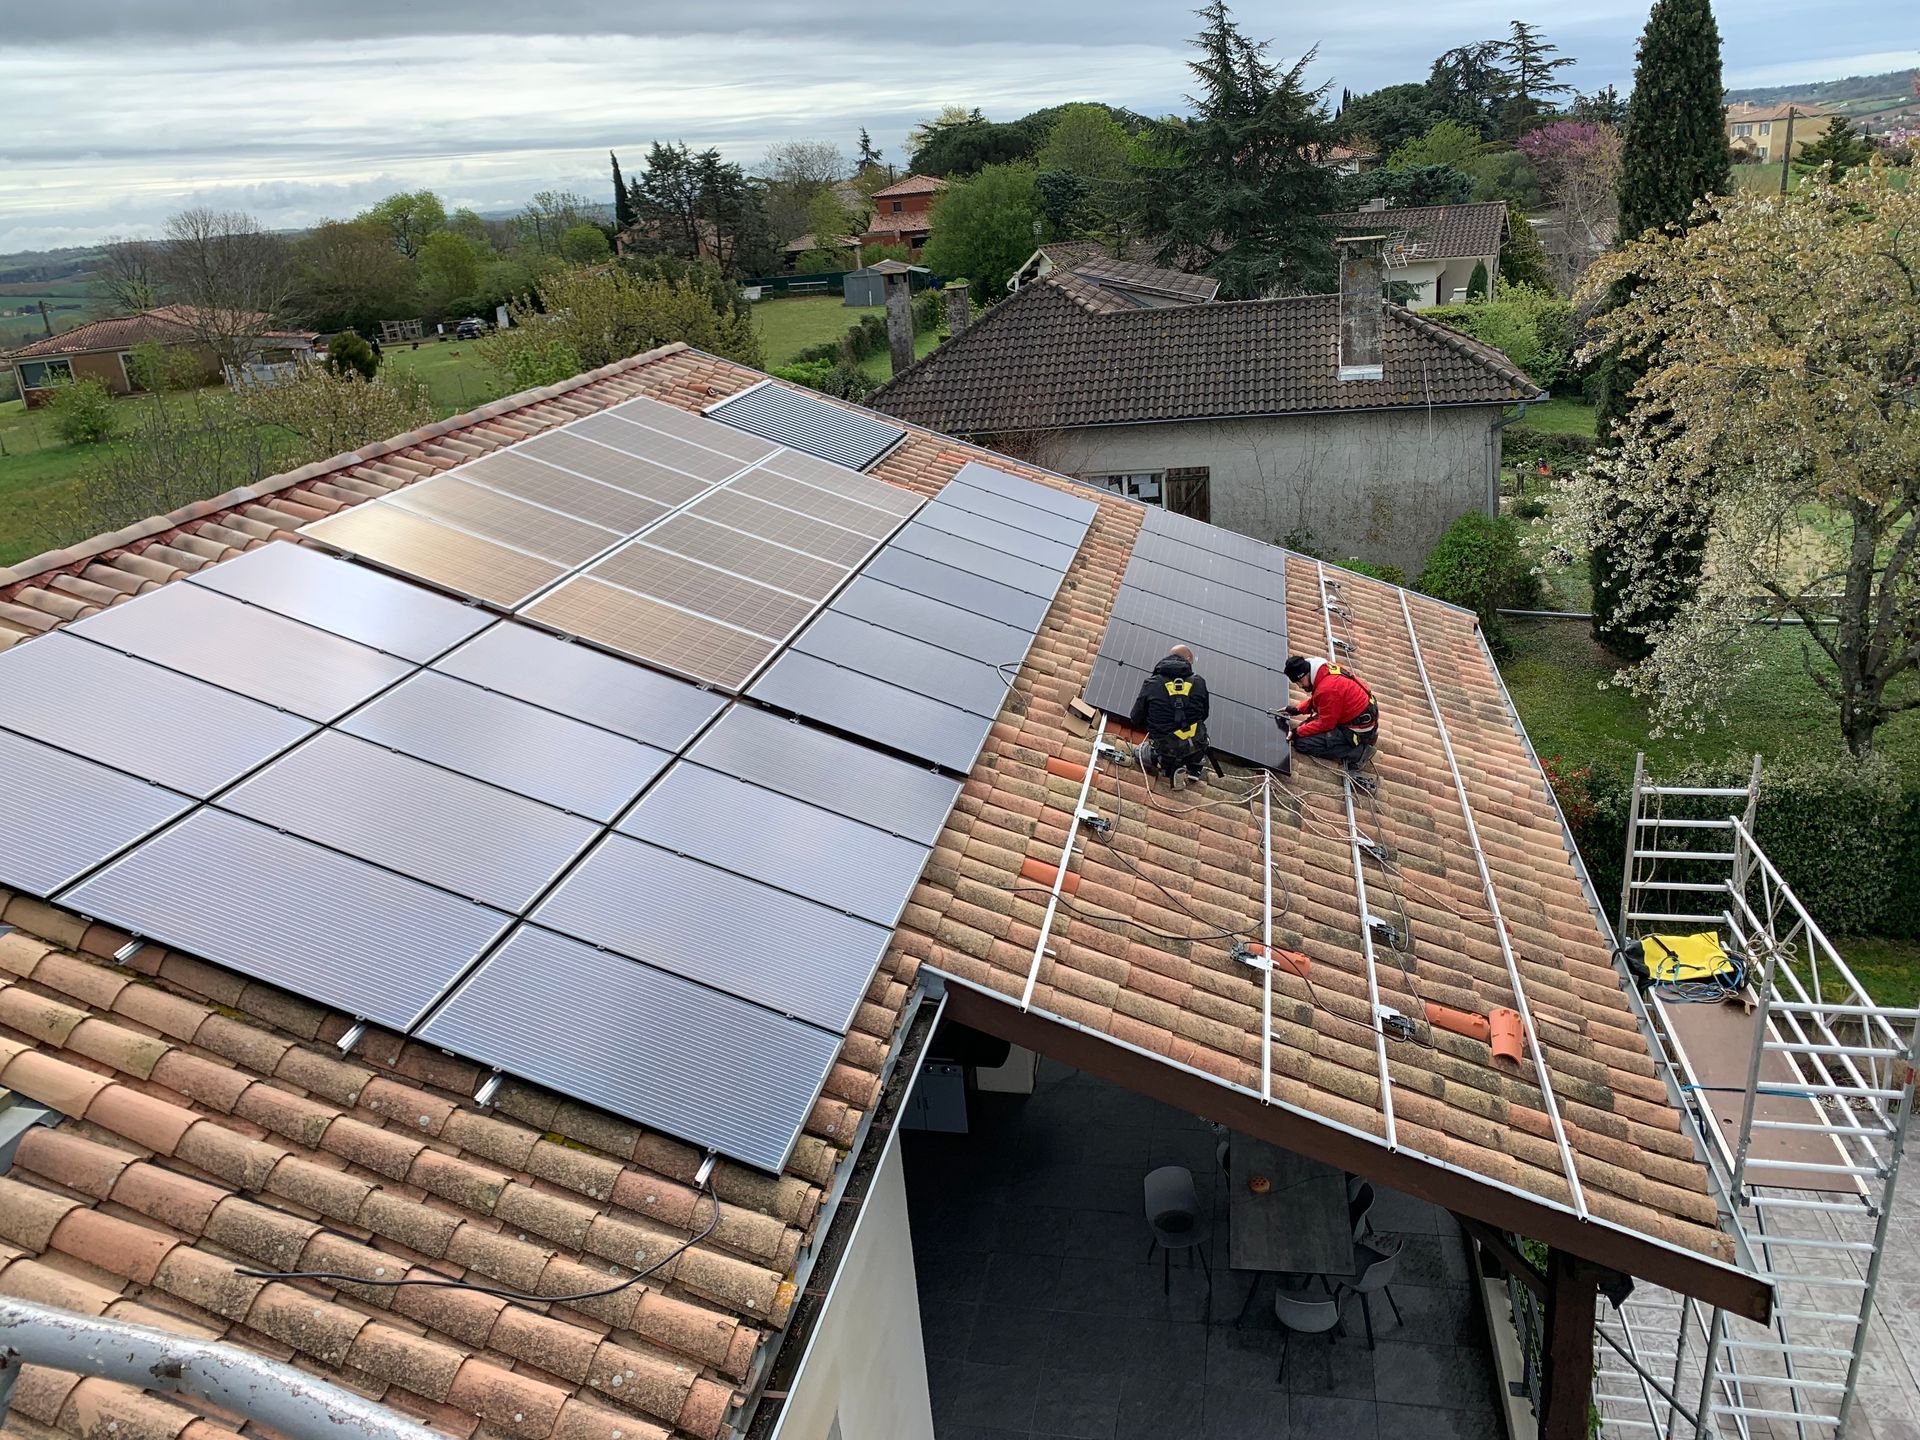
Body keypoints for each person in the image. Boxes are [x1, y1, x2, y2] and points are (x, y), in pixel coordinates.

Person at [1276, 654, 1378, 773]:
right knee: (1305, 728)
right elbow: (1320, 700)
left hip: (1358, 728)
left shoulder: (1328, 688)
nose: (1300, 686)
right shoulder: (1324, 669)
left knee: (1302, 743)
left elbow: (1326, 723)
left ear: (1307, 673)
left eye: (1300, 681)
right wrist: (1297, 709)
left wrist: (1296, 732)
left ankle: (1359, 752)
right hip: (1358, 715)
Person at [1130, 644, 1211, 789]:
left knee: (1140, 752)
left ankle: (1166, 764)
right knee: (1196, 737)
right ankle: (1194, 765)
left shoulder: (1152, 683)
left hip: (1165, 749)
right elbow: (1204, 714)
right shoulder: (1199, 682)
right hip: (1194, 745)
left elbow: (1136, 717)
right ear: (1188, 660)